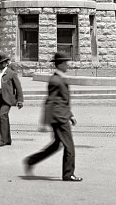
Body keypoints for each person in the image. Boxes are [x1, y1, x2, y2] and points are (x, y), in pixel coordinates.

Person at [23, 52, 82, 182]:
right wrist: (44, 122)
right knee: (69, 146)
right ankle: (68, 174)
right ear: (59, 64)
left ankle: (31, 160)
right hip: (59, 118)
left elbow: (62, 100)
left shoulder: (60, 78)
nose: (67, 65)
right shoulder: (55, 80)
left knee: (56, 145)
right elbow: (50, 101)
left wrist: (71, 115)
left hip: (62, 116)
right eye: (65, 63)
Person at [0, 51, 24, 146]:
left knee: (2, 116)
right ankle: (7, 140)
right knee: (3, 118)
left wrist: (20, 100)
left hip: (7, 99)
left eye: (2, 63)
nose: (0, 65)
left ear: (6, 63)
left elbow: (18, 87)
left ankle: (2, 139)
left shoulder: (11, 73)